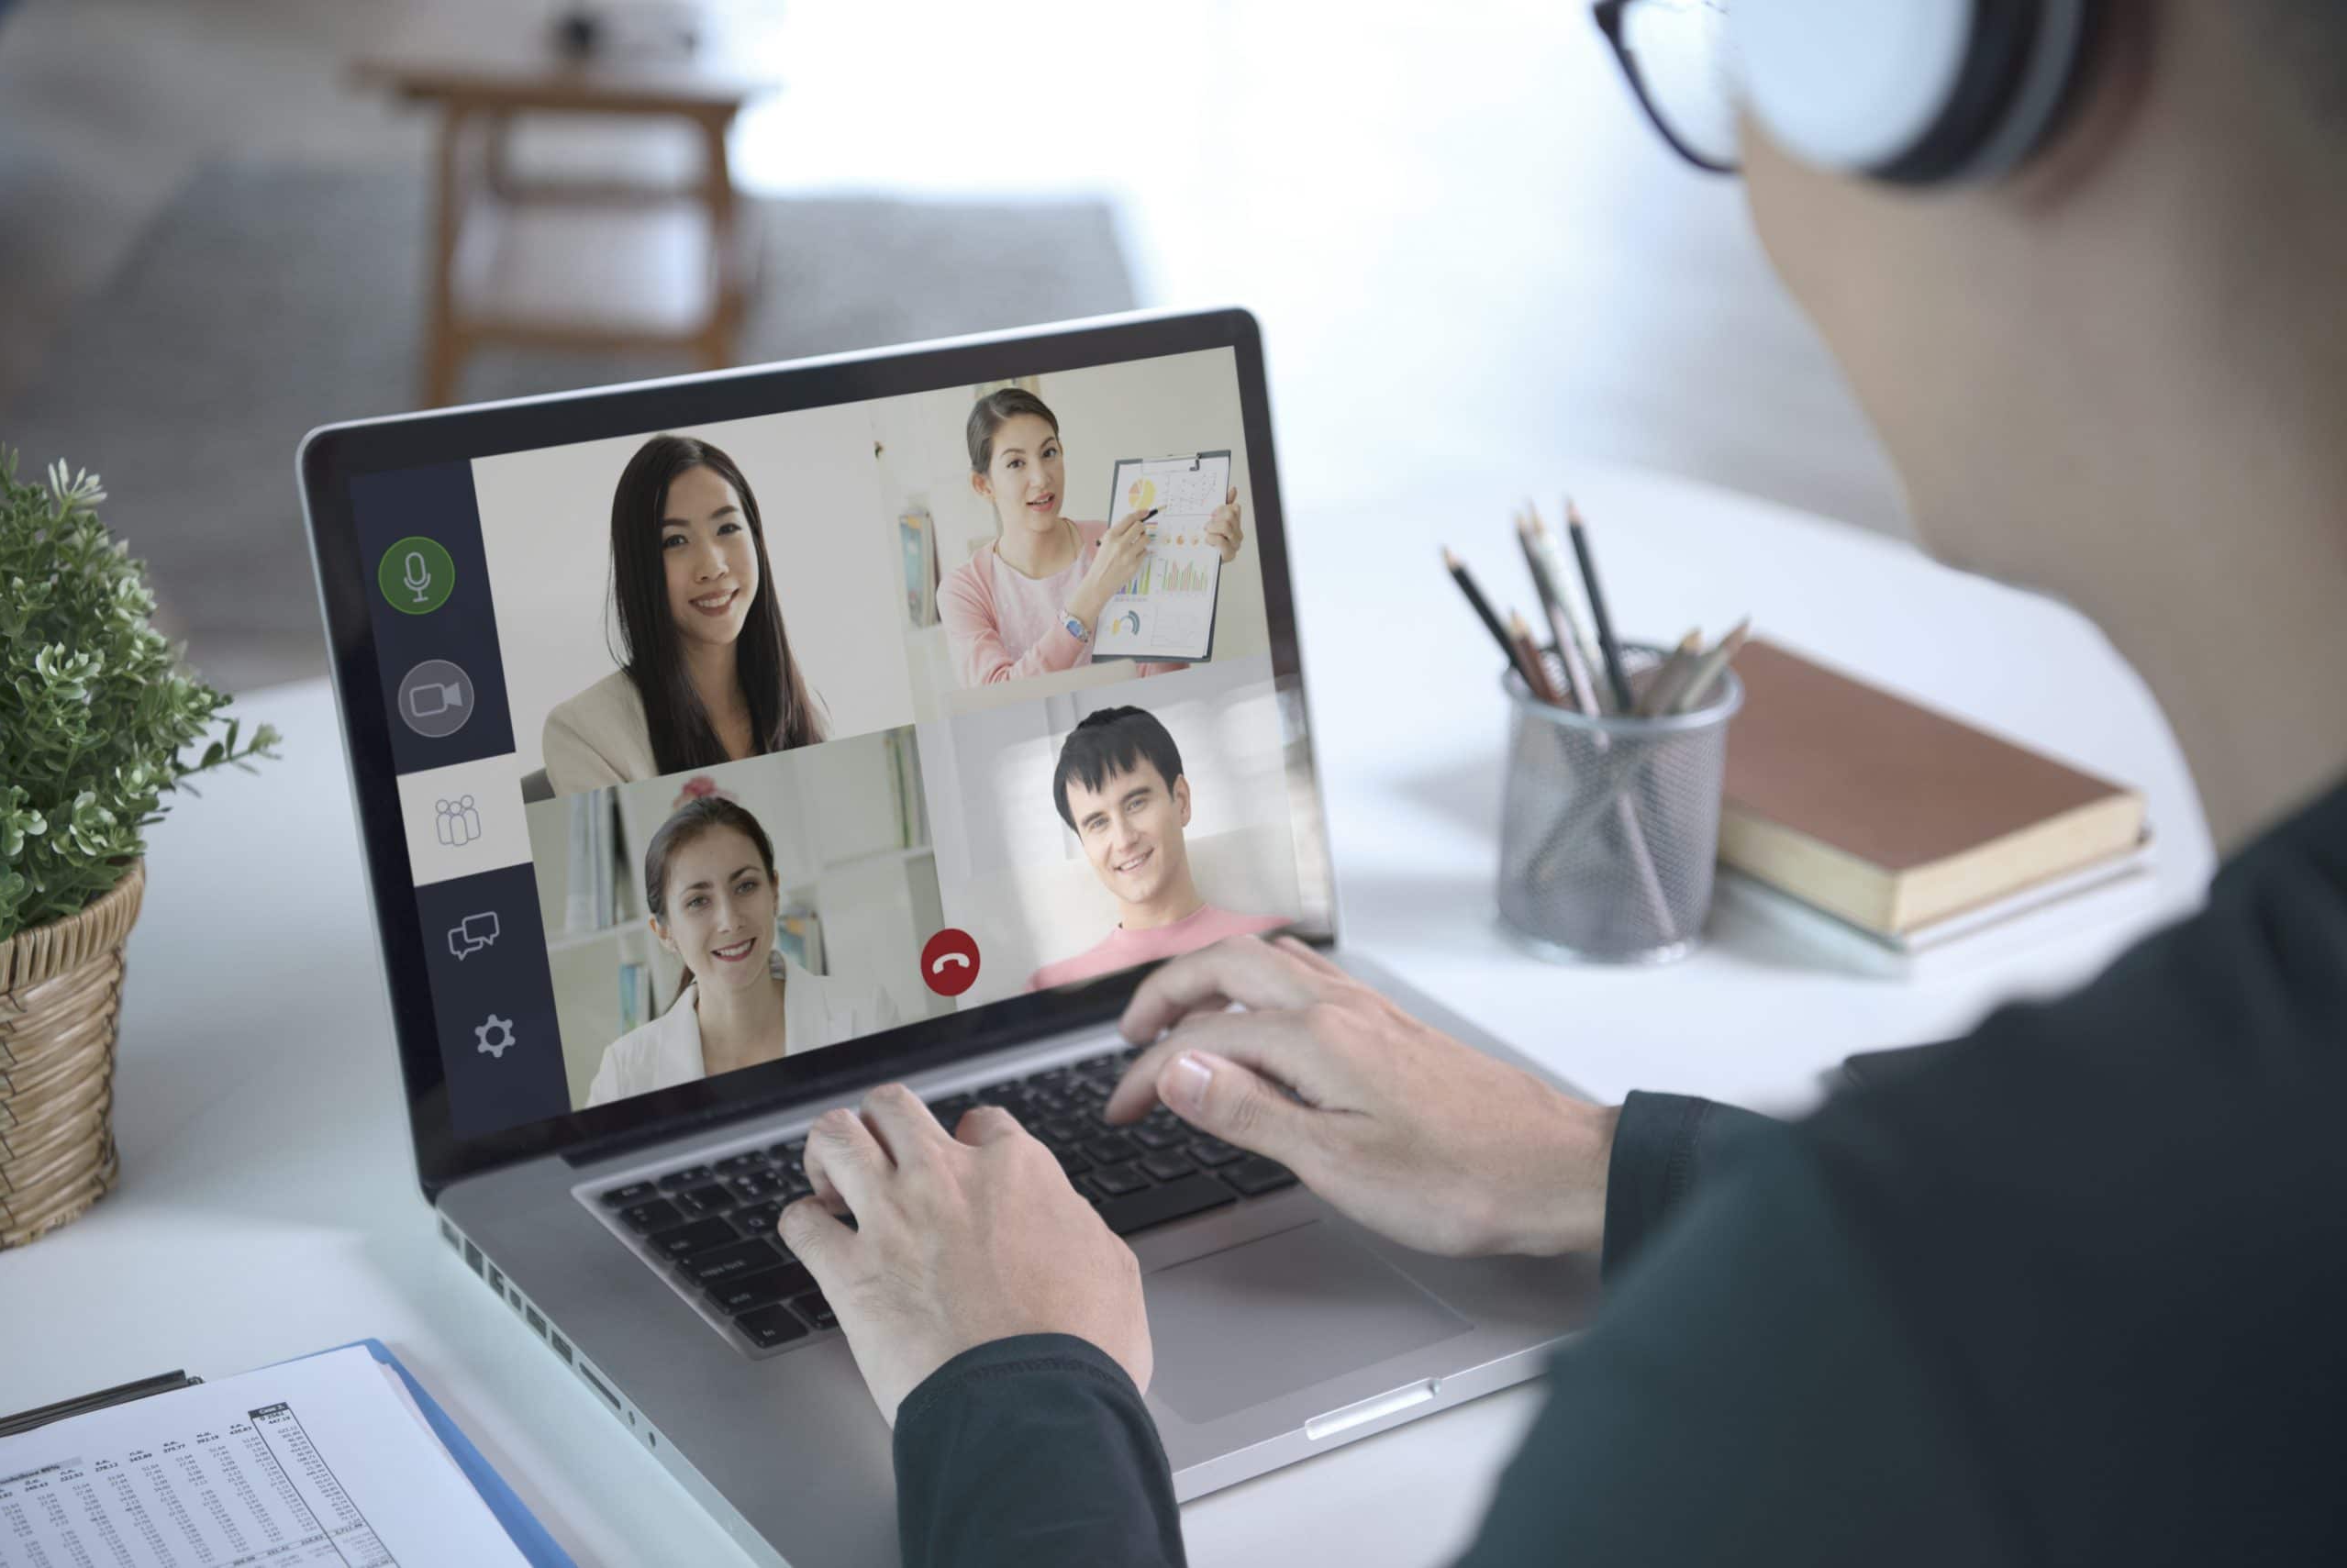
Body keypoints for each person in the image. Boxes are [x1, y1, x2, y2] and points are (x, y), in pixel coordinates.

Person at [772, 5, 2347, 1565]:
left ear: (1934, 56)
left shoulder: (1849, 1355)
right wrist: (1610, 1163)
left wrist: (1016, 1390)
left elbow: (1981, 1287)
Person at [543, 435, 828, 795]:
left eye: (727, 528)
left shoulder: (806, 708)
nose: (712, 566)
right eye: (675, 541)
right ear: (640, 567)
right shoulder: (584, 733)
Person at [584, 797, 895, 1106]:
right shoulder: (623, 1074)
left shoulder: (865, 1016)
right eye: (697, 901)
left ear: (774, 893)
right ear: (664, 932)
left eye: (745, 886)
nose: (730, 921)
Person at [938, 388, 1246, 688]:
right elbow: (998, 701)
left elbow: (1165, 678)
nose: (1042, 478)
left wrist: (1203, 557)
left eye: (1049, 453)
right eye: (1016, 463)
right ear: (983, 485)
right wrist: (1094, 592)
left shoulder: (1115, 542)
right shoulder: (964, 590)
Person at [1026, 706, 1285, 990]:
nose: (1124, 840)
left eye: (1136, 803)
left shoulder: (1275, 943)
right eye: (1098, 823)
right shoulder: (1053, 986)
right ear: (1085, 845)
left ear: (1182, 801)